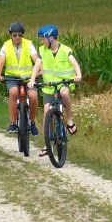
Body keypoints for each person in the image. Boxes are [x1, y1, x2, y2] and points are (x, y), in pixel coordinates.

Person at [31, 24, 83, 156]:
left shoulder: (65, 50)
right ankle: (47, 144)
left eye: (43, 38)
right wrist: (32, 80)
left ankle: (69, 119)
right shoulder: (42, 50)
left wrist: (78, 75)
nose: (42, 41)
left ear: (52, 38)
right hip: (49, 85)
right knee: (46, 113)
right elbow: (37, 65)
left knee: (64, 93)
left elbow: (74, 62)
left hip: (64, 82)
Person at [0, 22, 40, 136]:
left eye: (20, 35)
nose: (17, 37)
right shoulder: (6, 45)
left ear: (22, 35)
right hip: (12, 77)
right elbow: (1, 61)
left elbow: (36, 59)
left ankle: (32, 122)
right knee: (13, 92)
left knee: (33, 96)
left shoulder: (29, 44)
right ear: (10, 35)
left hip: (29, 77)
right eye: (14, 35)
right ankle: (13, 123)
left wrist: (40, 72)